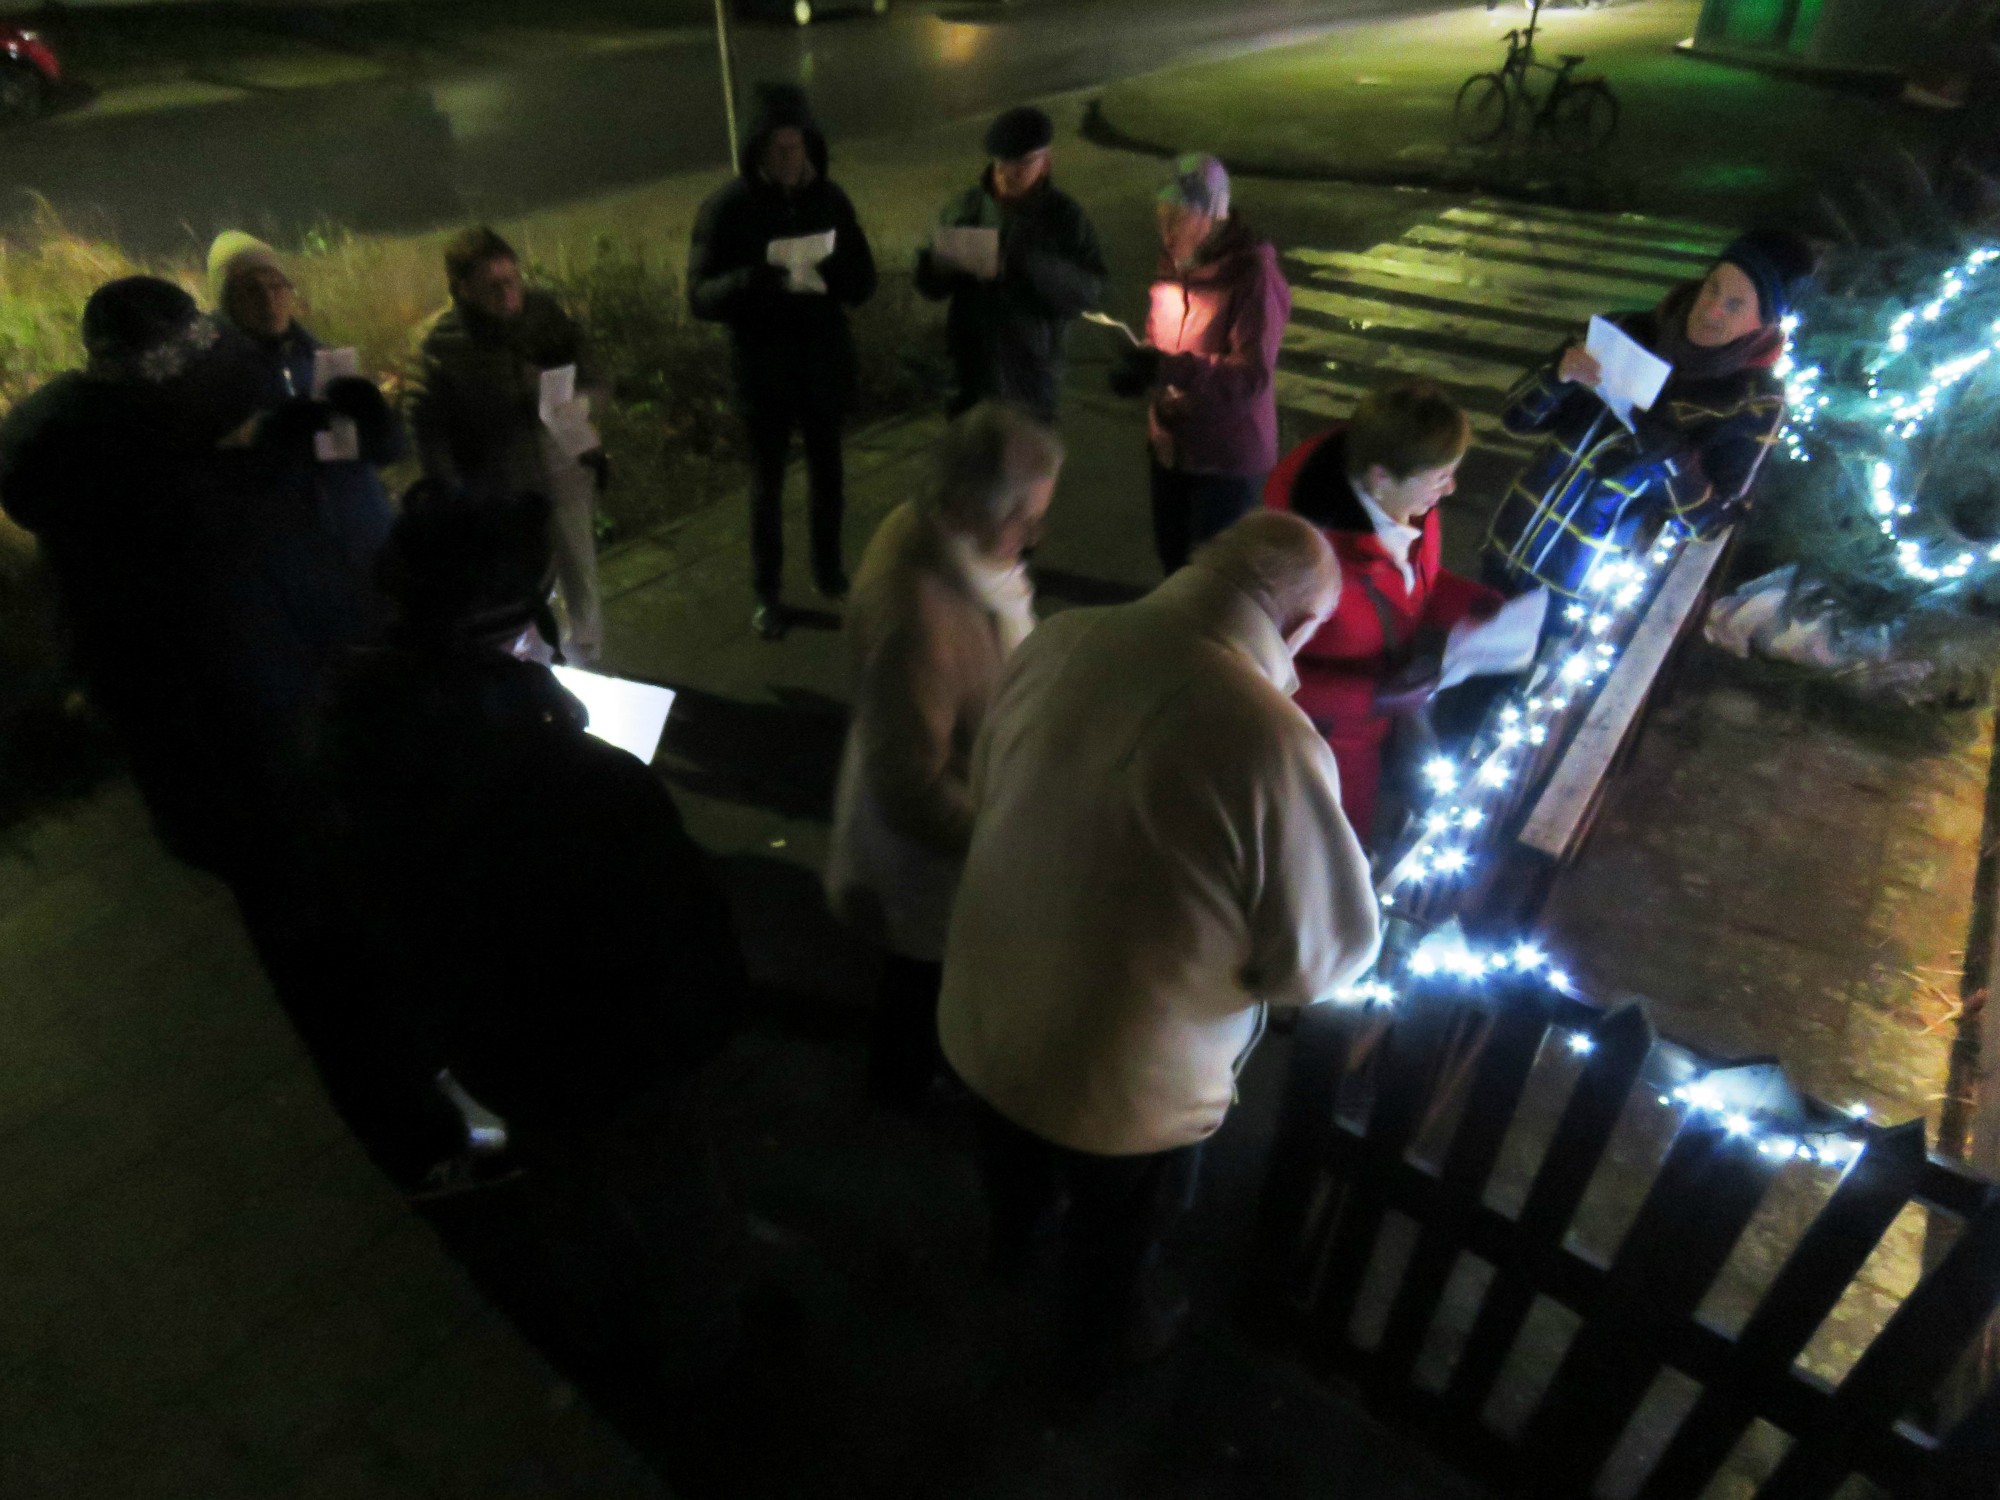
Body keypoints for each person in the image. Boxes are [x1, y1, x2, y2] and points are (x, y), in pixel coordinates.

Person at [314, 484, 748, 1381]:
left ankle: (600, 1325)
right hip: (615, 1053)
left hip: (492, 1045)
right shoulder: (585, 781)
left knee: (563, 1182)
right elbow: (679, 930)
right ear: (515, 624)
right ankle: (709, 1352)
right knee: (677, 1192)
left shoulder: (361, 735)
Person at [937, 509, 1382, 1371]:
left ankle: (1009, 1255)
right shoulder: (1270, 738)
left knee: (1013, 1170)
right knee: (1116, 1233)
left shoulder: (1061, 637)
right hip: (1119, 1080)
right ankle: (1090, 1360)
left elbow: (991, 786)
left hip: (985, 1013)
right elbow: (1316, 962)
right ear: (1300, 625)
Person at [0, 276, 397, 878]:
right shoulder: (170, 510)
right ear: (173, 403)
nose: (234, 401)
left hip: (222, 797)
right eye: (214, 385)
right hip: (269, 782)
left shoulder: (102, 477)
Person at [825, 402, 1062, 1110]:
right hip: (930, 856)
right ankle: (899, 1097)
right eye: (1024, 520)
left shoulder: (944, 540)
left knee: (929, 975)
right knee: (920, 977)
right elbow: (911, 785)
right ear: (964, 506)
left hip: (962, 816)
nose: (1037, 535)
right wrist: (1002, 842)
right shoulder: (919, 616)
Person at [1484, 228, 1818, 600]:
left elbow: (1712, 522)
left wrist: (1672, 458)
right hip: (1506, 549)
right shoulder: (1624, 332)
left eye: (1735, 304)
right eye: (1713, 287)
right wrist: (1556, 378)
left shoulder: (1753, 404)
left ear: (1765, 323)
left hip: (1581, 597)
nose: (1711, 309)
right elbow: (1515, 418)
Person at [1265, 381, 1504, 846]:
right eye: (1440, 477)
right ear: (1380, 476)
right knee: (1325, 856)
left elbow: (1412, 583)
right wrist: (1372, 698)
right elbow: (1263, 674)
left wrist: (1474, 603)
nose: (1450, 489)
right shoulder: (1302, 561)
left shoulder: (1408, 506)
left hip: (1373, 739)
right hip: (1318, 752)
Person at [690, 84, 879, 641]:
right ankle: (766, 594)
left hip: (821, 362)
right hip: (763, 370)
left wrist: (838, 276)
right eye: (777, 150)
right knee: (767, 487)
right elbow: (699, 295)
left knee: (830, 476)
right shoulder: (728, 209)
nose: (789, 160)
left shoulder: (832, 200)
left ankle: (829, 570)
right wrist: (751, 282)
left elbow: (864, 279)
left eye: (797, 148)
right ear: (757, 152)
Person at [406, 227, 608, 661]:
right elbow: (431, 429)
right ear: (461, 289)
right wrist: (452, 494)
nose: (507, 293)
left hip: (563, 471)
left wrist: (578, 403)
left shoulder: (546, 314)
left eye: (511, 280)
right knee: (525, 599)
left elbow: (597, 378)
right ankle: (538, 683)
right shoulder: (444, 345)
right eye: (491, 285)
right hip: (504, 493)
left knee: (582, 584)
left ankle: (591, 670)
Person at [1112, 154, 1292, 574]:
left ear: (1211, 216)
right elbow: (1163, 332)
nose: (1166, 232)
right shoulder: (1177, 259)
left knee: (1210, 581)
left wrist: (1169, 369)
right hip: (1173, 448)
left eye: (1177, 219)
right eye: (1161, 218)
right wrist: (1142, 366)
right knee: (1174, 569)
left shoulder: (1251, 274)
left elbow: (1251, 377)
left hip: (1226, 458)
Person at [207, 230, 401, 577]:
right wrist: (269, 438)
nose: (268, 299)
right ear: (226, 299)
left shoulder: (325, 359)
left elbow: (348, 453)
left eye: (276, 285)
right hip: (285, 563)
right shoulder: (211, 375)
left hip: (366, 548)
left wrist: (382, 435)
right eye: (250, 289)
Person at [915, 104, 1107, 424]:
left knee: (1029, 473)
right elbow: (928, 285)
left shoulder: (1065, 218)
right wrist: (935, 267)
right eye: (1001, 162)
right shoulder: (966, 208)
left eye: (1022, 163)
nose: (1007, 172)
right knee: (972, 471)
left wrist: (1027, 265)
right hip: (970, 375)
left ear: (1045, 163)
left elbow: (1091, 290)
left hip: (1032, 377)